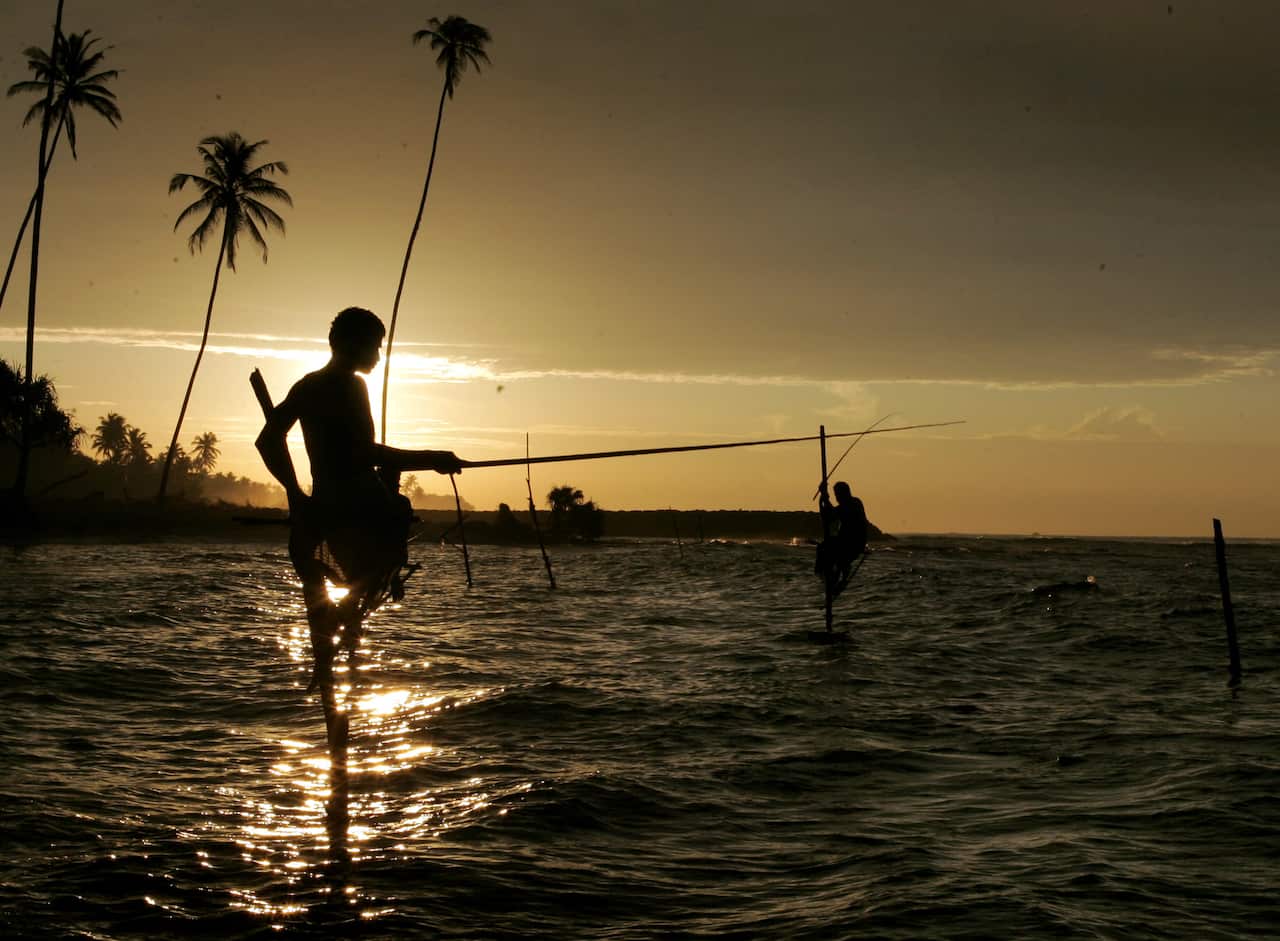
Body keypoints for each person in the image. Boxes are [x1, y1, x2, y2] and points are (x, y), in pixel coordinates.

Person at [256, 307, 463, 687]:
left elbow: (267, 440)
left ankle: (331, 643)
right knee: (394, 524)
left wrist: (297, 496)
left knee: (331, 582)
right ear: (351, 344)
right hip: (358, 507)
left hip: (321, 510)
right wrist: (432, 458)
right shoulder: (350, 386)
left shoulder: (306, 385)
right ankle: (344, 618)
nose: (378, 356)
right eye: (374, 346)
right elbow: (364, 454)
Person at [815, 480, 868, 599]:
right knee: (827, 550)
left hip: (853, 543)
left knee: (831, 551)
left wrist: (824, 497)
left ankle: (838, 576)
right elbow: (828, 516)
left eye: (838, 495)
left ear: (845, 493)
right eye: (836, 495)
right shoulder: (849, 504)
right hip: (847, 542)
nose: (837, 498)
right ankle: (834, 578)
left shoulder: (854, 503)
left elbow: (831, 515)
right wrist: (823, 498)